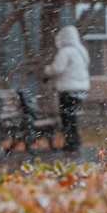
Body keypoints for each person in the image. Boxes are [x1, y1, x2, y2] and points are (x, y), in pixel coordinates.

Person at [43, 25, 90, 153]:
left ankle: (70, 143)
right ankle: (75, 140)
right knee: (72, 116)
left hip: (68, 89)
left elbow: (57, 68)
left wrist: (47, 71)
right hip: (81, 89)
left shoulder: (65, 51)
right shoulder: (81, 50)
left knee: (67, 117)